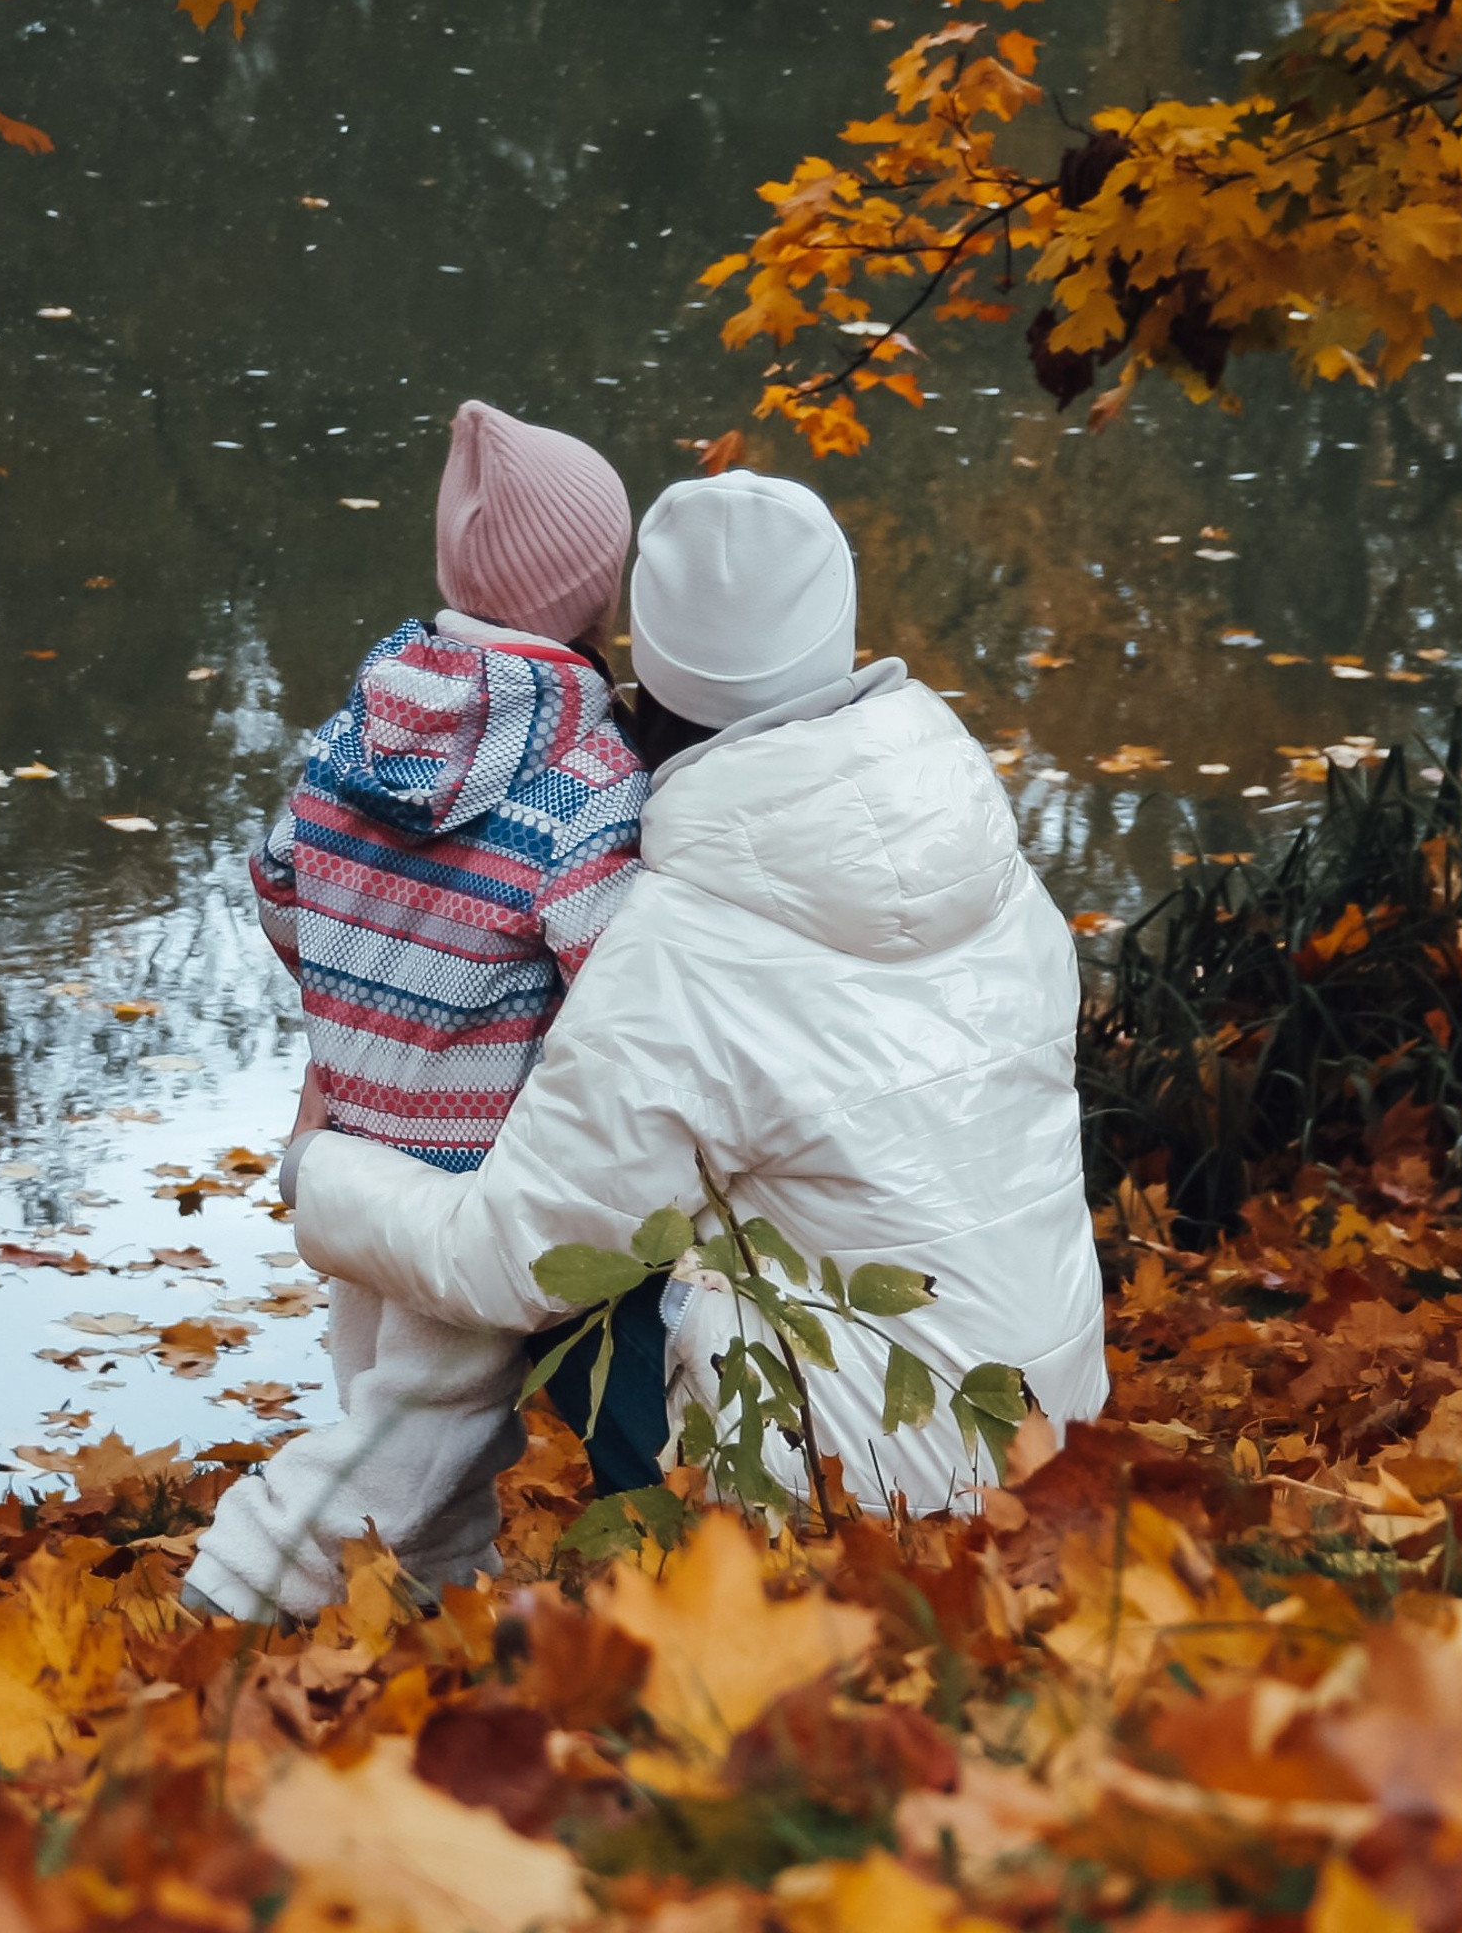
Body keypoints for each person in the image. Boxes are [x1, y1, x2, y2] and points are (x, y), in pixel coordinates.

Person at [286, 469, 1107, 1520]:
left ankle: (634, 1530)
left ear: (646, 673)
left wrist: (322, 1169)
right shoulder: (992, 869)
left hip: (843, 1490)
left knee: (575, 1248)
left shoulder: (675, 940)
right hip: (1051, 1427)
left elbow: (509, 1260)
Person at [183, 401, 647, 1618]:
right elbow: (621, 987)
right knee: (419, 1427)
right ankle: (241, 1583)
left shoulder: (357, 729)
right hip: (468, 1179)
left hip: (347, 1140)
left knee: (387, 1405)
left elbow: (281, 881)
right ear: (599, 591)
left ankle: (434, 1604)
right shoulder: (587, 782)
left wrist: (349, 1020)